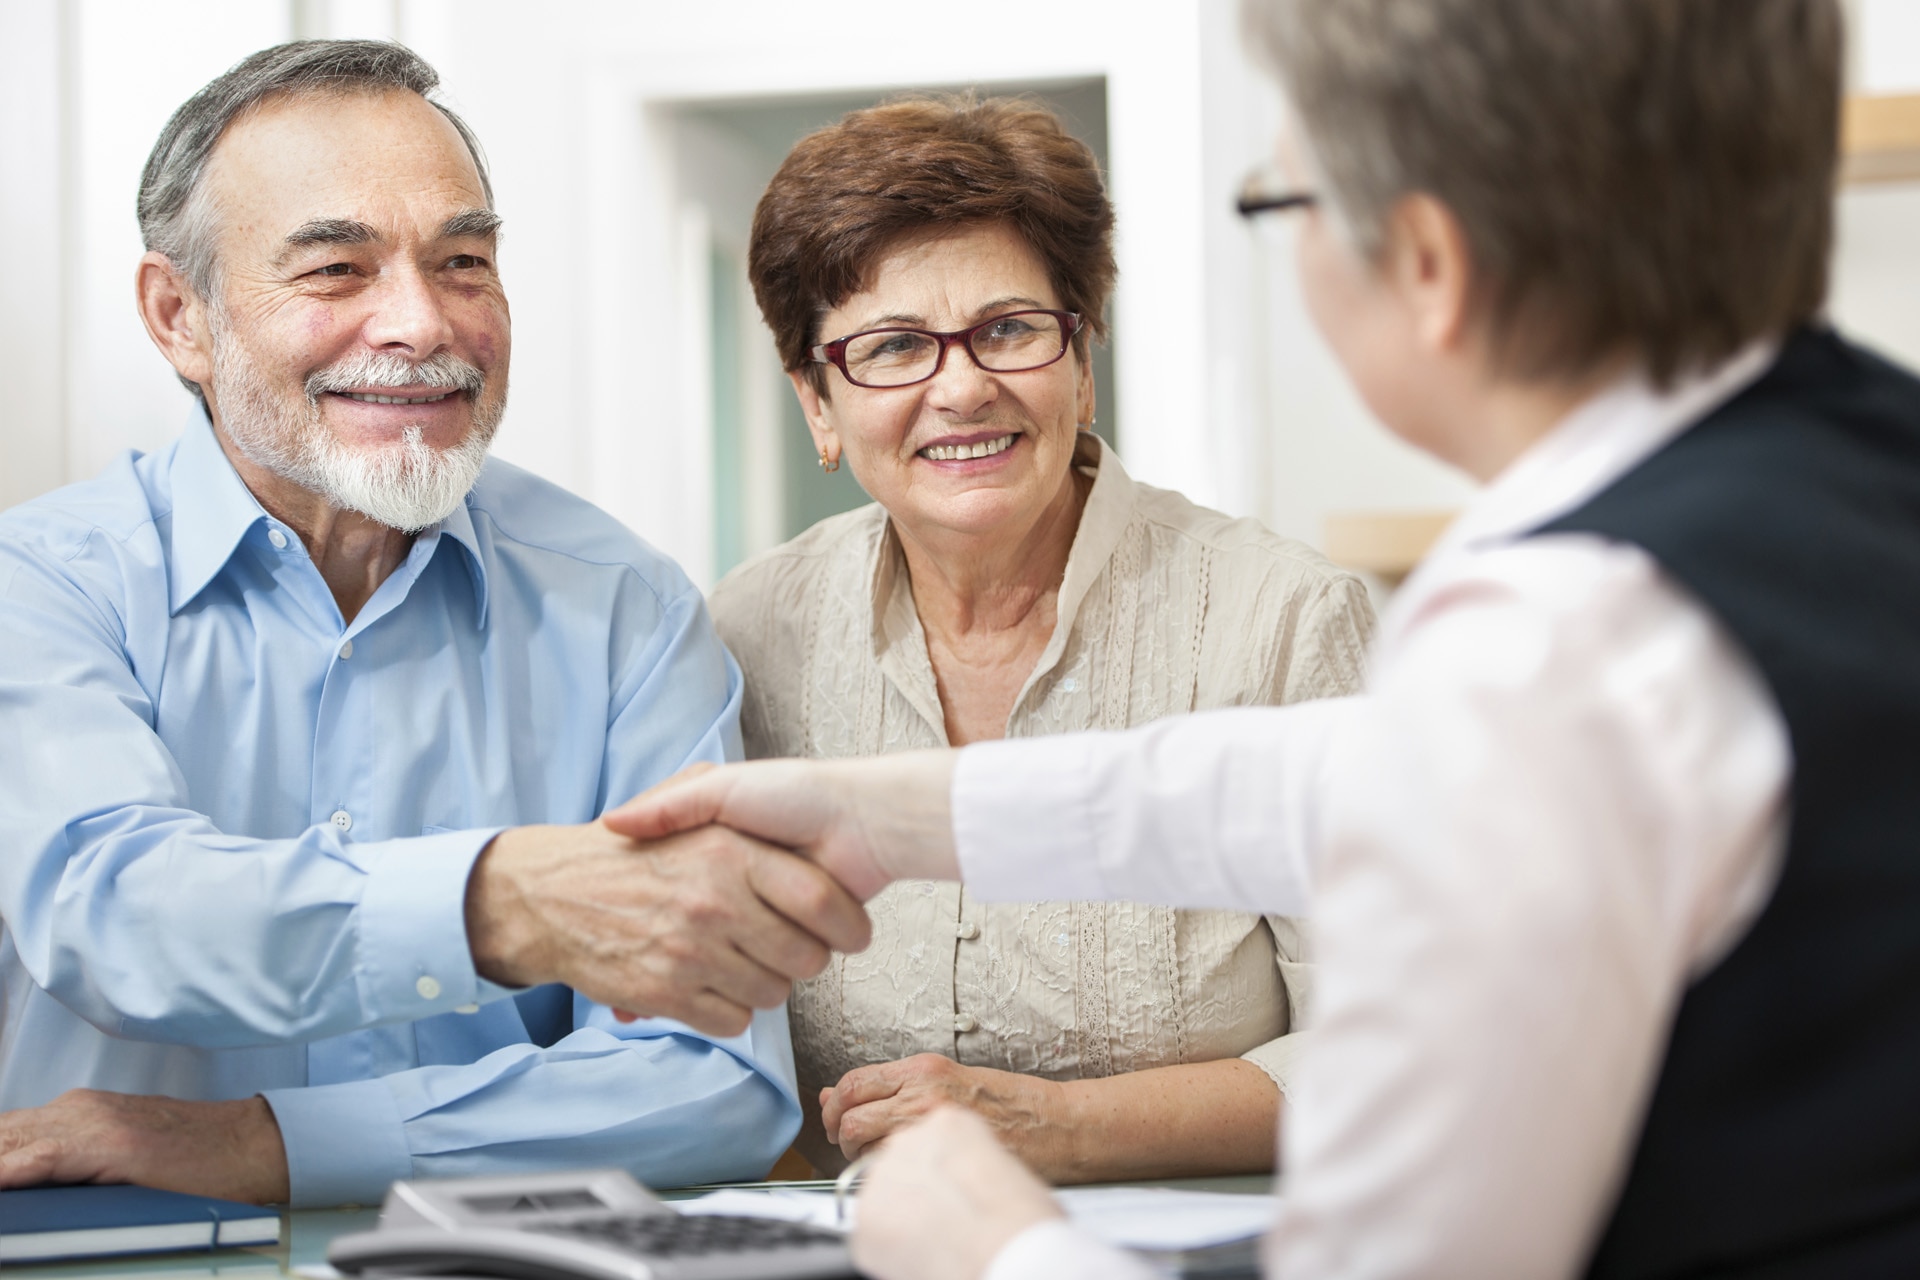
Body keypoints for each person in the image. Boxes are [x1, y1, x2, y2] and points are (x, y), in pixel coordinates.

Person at [610, 0, 1920, 1275]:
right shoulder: (1862, 459)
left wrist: (993, 1249)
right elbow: (1340, 780)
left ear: (1426, 263)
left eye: (1282, 202)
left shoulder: (1543, 639)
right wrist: (895, 816)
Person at [0, 40, 868, 1208]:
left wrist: (272, 1143)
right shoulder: (39, 585)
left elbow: (711, 1075)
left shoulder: (624, 604)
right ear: (179, 315)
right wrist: (501, 899)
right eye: (336, 269)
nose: (420, 321)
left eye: (464, 259)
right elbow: (119, 915)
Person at [715, 95, 1374, 1180]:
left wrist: (1065, 1129)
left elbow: (1395, 1044)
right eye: (891, 348)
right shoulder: (744, 638)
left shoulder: (1285, 620)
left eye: (1010, 329)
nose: (963, 386)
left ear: (1080, 359)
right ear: (817, 404)